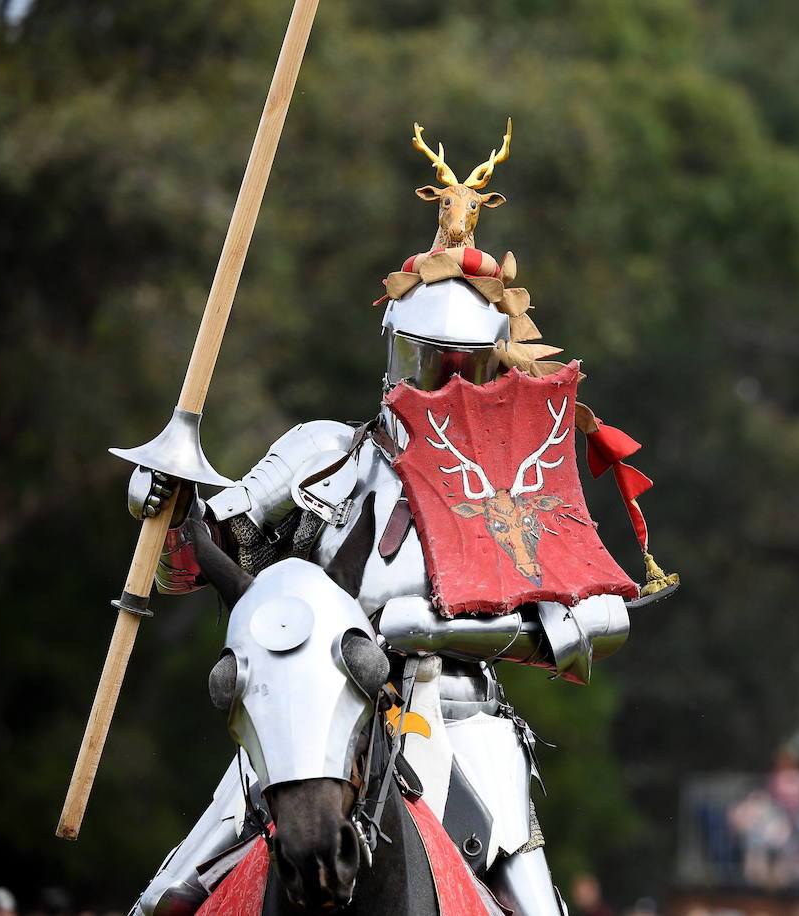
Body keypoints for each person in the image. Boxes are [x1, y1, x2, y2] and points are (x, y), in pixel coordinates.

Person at [123, 123, 671, 915]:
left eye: (462, 365)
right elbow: (206, 557)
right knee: (162, 900)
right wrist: (167, 504)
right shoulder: (320, 454)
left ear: (491, 366)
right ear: (394, 351)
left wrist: (437, 631)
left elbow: (599, 621)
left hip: (456, 715)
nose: (443, 380)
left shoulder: (513, 480)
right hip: (313, 720)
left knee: (536, 907)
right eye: (427, 358)